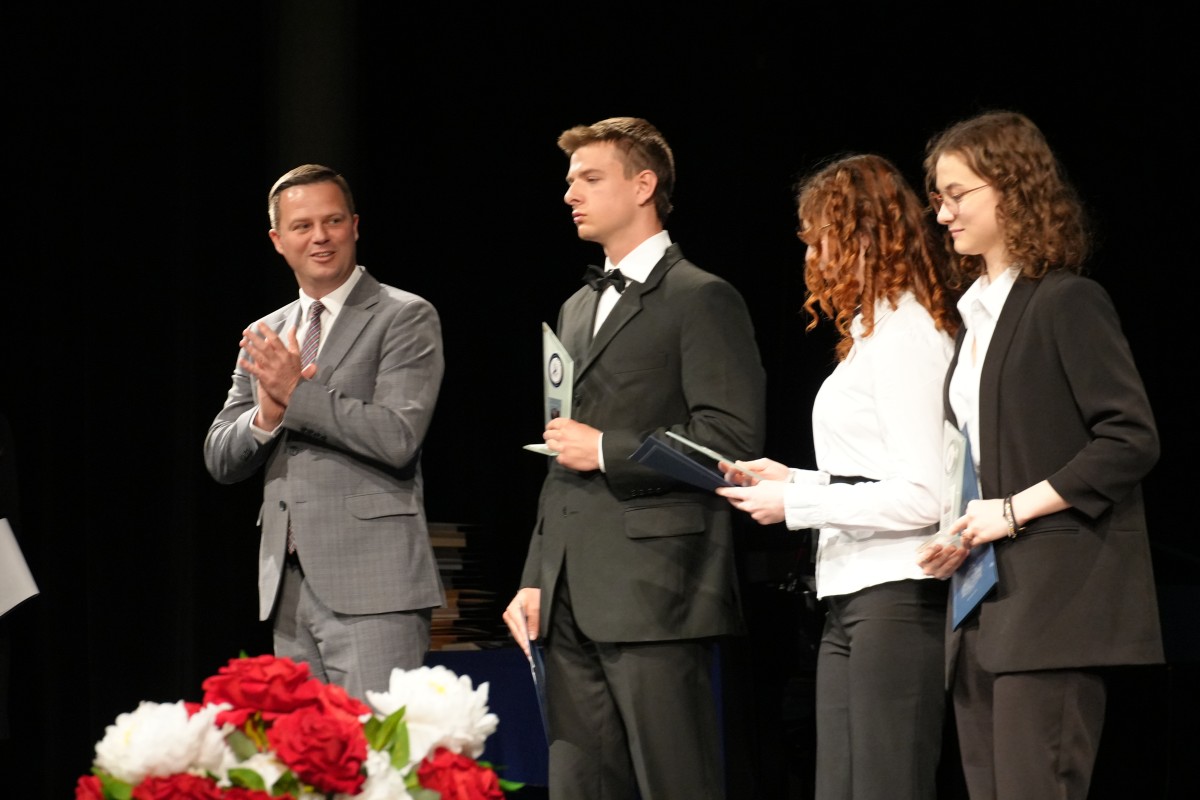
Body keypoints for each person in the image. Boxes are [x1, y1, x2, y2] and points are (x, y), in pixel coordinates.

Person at [502, 117, 766, 800]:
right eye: (569, 181)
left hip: (657, 588)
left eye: (590, 178)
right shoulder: (574, 305)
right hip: (568, 594)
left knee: (674, 783)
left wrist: (609, 450)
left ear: (643, 185)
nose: (570, 194)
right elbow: (559, 447)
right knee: (580, 785)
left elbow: (732, 440)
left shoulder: (701, 297)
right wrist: (535, 575)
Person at [915, 110, 1162, 800]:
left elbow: (1130, 439)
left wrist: (1012, 512)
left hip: (1053, 607)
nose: (943, 215)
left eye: (957, 194)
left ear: (1012, 188)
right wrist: (961, 531)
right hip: (983, 607)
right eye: (938, 198)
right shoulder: (974, 322)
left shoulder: (1066, 302)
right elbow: (985, 460)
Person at [715, 154, 960, 799]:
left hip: (899, 596)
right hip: (850, 598)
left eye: (820, 236)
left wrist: (795, 503)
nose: (812, 255)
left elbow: (924, 495)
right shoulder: (869, 336)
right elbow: (869, 475)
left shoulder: (909, 333)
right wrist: (795, 478)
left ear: (861, 236)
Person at [204, 164, 445, 700]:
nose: (320, 236)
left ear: (354, 226)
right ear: (277, 240)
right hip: (287, 587)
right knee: (309, 768)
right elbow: (220, 456)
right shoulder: (266, 333)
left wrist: (297, 394)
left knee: (380, 767)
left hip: (374, 587)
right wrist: (264, 418)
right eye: (303, 225)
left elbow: (398, 435)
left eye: (333, 220)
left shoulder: (404, 316)